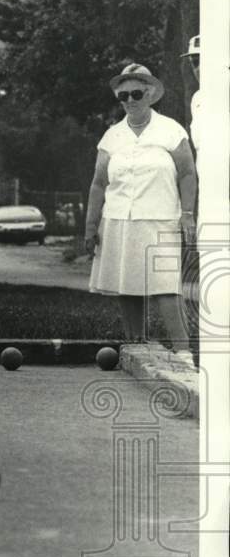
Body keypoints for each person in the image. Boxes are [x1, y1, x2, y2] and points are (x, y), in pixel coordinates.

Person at [84, 64, 197, 366]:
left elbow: (187, 173)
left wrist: (187, 214)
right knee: (127, 283)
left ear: (149, 94)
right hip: (119, 218)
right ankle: (137, 343)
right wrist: (90, 226)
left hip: (160, 217)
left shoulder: (171, 130)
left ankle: (183, 350)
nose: (130, 100)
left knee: (165, 284)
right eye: (124, 96)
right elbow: (98, 183)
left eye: (136, 93)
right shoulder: (112, 136)